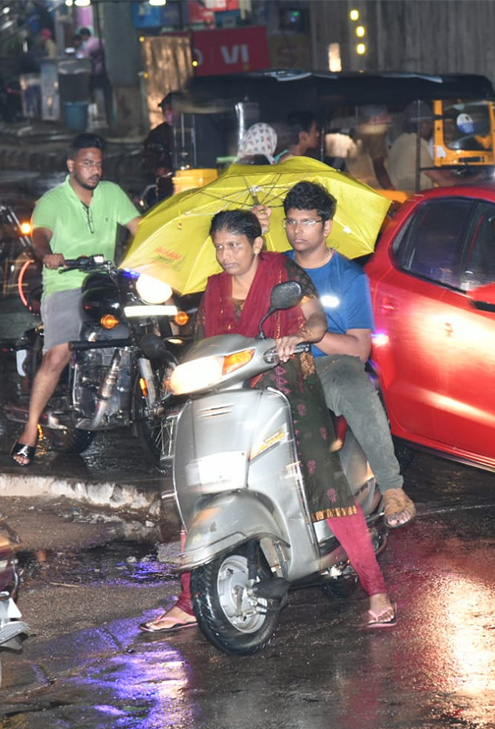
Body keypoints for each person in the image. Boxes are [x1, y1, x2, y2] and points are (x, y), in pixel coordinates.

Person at [140, 210, 397, 633]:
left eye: (235, 245)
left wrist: (301, 336)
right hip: (230, 390)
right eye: (220, 247)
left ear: (257, 244)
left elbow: (313, 316)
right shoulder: (215, 287)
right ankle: (188, 600)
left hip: (287, 386)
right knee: (196, 486)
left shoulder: (283, 271)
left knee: (323, 481)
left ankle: (376, 588)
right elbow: (207, 341)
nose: (226, 256)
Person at [276, 181, 416, 528]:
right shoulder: (275, 268)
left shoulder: (349, 277)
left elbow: (358, 349)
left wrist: (312, 334)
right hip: (277, 362)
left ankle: (393, 487)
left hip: (330, 367)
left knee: (356, 387)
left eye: (307, 222)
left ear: (327, 226)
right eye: (291, 222)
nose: (297, 230)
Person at [12, 133, 140, 466]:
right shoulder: (52, 201)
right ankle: (29, 429)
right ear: (72, 165)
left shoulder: (111, 193)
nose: (94, 170)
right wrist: (48, 255)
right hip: (66, 283)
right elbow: (40, 236)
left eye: (98, 164)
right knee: (58, 354)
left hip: (106, 282)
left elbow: (141, 226)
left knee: (144, 327)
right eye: (87, 163)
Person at [386, 100, 457, 193]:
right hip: (414, 199)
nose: (432, 127)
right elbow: (445, 182)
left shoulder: (400, 141)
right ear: (423, 125)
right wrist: (475, 178)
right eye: (430, 123)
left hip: (401, 198)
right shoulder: (418, 146)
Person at [141, 91, 183, 204]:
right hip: (166, 189)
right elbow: (148, 159)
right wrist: (158, 170)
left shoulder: (193, 130)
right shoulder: (157, 134)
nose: (168, 114)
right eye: (165, 111)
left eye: (172, 110)